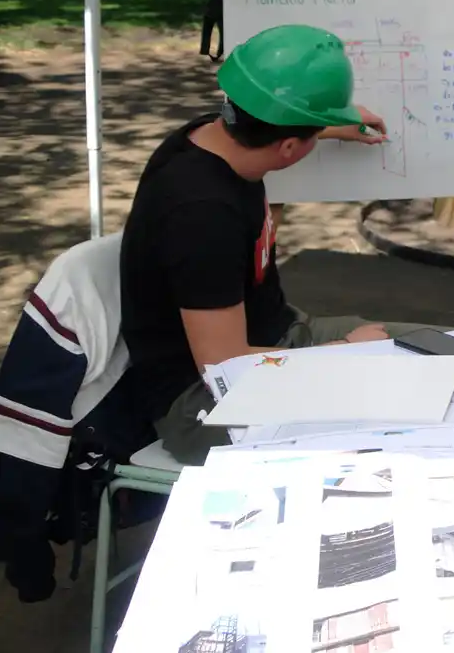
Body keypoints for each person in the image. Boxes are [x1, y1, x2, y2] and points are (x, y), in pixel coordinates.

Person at [119, 24, 423, 465]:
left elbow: (269, 121)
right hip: (205, 402)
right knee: (410, 404)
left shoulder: (209, 135)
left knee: (447, 356)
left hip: (278, 341)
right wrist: (343, 355)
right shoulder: (202, 215)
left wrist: (331, 123)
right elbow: (224, 363)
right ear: (287, 147)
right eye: (313, 134)